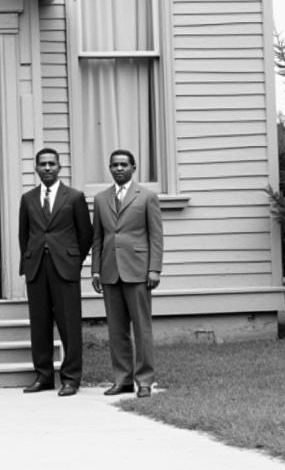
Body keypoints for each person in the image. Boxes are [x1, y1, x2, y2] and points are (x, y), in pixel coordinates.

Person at [18, 146, 92, 396]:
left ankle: (71, 378)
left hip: (65, 267)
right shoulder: (28, 199)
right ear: (36, 168)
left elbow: (86, 235)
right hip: (37, 267)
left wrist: (74, 260)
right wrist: (29, 261)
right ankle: (43, 376)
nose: (47, 168)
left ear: (59, 167)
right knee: (39, 324)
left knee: (69, 324)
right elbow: (24, 235)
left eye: (51, 164)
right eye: (43, 164)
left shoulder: (74, 197)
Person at [91, 148, 164, 397]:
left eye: (124, 164)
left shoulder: (147, 197)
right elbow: (98, 238)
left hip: (138, 271)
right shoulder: (101, 199)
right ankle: (122, 379)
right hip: (110, 271)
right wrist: (95, 270)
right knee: (116, 328)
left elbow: (156, 236)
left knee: (142, 328)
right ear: (109, 168)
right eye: (114, 165)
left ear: (134, 168)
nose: (119, 168)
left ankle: (144, 381)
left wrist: (154, 268)